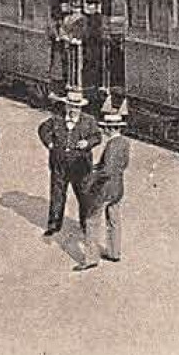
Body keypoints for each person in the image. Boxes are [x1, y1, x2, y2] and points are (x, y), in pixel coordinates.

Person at [73, 108, 130, 271]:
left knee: (91, 221)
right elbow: (123, 164)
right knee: (114, 219)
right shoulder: (125, 143)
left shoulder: (112, 145)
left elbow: (107, 170)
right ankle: (114, 252)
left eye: (105, 127)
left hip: (104, 189)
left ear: (110, 129)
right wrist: (98, 167)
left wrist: (92, 177)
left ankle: (91, 258)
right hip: (118, 187)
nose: (104, 130)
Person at [38, 87, 98, 236]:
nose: (73, 110)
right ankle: (54, 224)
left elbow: (97, 136)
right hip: (59, 164)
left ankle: (85, 224)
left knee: (84, 195)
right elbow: (42, 130)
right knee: (57, 194)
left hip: (80, 165)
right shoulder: (56, 119)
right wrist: (50, 144)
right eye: (71, 106)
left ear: (81, 108)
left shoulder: (89, 121)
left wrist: (88, 143)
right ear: (66, 105)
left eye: (76, 107)